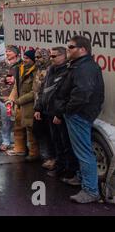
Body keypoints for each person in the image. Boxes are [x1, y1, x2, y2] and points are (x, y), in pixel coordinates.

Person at [59, 36, 104, 203]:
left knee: (84, 153)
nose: (68, 50)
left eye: (71, 47)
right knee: (80, 150)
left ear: (82, 49)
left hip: (79, 114)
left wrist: (68, 109)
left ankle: (91, 191)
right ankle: (81, 178)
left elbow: (82, 93)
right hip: (79, 113)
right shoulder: (81, 65)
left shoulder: (84, 68)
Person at [34, 46, 79, 180]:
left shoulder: (67, 71)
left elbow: (66, 95)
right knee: (56, 142)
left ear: (64, 56)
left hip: (59, 114)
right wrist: (38, 108)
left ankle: (69, 171)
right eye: (51, 56)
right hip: (48, 111)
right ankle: (59, 168)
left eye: (54, 56)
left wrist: (59, 114)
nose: (51, 58)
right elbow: (43, 90)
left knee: (66, 144)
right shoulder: (51, 70)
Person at [7, 50, 40, 161]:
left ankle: (33, 153)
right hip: (20, 105)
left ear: (32, 60)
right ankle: (19, 149)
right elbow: (16, 87)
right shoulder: (20, 69)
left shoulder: (36, 71)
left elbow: (34, 92)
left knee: (30, 130)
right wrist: (11, 99)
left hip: (30, 105)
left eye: (27, 58)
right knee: (18, 128)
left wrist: (19, 101)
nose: (24, 60)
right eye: (24, 57)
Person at [0, 45, 22, 151]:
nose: (7, 53)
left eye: (9, 51)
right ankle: (6, 141)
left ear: (15, 53)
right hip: (4, 98)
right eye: (6, 51)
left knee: (18, 121)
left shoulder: (21, 65)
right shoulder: (1, 65)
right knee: (6, 121)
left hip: (17, 98)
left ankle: (18, 142)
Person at [32, 48, 55, 169]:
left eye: (39, 57)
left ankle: (51, 158)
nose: (37, 60)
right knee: (38, 131)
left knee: (49, 134)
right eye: (36, 57)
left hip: (48, 108)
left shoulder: (50, 70)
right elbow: (36, 90)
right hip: (39, 106)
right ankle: (46, 156)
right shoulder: (38, 69)